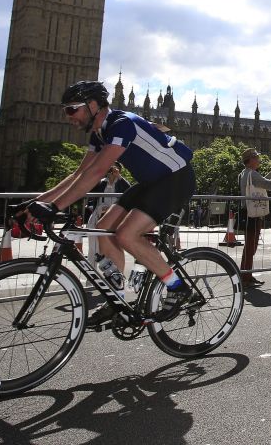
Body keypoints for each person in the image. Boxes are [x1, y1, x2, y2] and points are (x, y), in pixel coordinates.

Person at [19, 81, 197, 327]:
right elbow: (79, 174)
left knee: (126, 235)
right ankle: (118, 300)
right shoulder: (99, 133)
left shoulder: (122, 124)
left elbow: (98, 171)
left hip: (176, 179)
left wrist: (55, 208)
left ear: (93, 105)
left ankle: (177, 287)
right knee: (104, 230)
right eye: (65, 111)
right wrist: (37, 203)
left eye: (72, 109)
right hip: (151, 183)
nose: (68, 116)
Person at [238, 148, 271, 288]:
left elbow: (261, 181)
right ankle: (245, 278)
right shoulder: (252, 174)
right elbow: (270, 185)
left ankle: (246, 275)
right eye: (256, 157)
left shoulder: (245, 173)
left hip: (247, 212)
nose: (259, 160)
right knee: (251, 247)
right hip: (253, 215)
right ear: (250, 160)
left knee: (249, 247)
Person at [86, 162, 132, 266]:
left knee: (114, 248)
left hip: (114, 219)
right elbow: (89, 189)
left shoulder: (121, 182)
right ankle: (92, 277)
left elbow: (130, 191)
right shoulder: (101, 182)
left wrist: (119, 177)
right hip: (98, 215)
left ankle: (115, 277)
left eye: (115, 168)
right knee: (93, 248)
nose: (112, 171)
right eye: (110, 168)